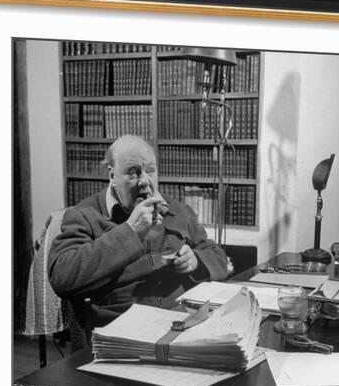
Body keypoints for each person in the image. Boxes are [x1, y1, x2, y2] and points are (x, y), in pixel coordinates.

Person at [48, 135, 229, 328]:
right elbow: (63, 278)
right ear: (112, 175)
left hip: (179, 321)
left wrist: (196, 261)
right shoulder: (84, 215)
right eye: (132, 173)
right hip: (118, 328)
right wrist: (130, 231)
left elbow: (219, 259)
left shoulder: (178, 210)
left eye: (150, 170)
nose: (144, 181)